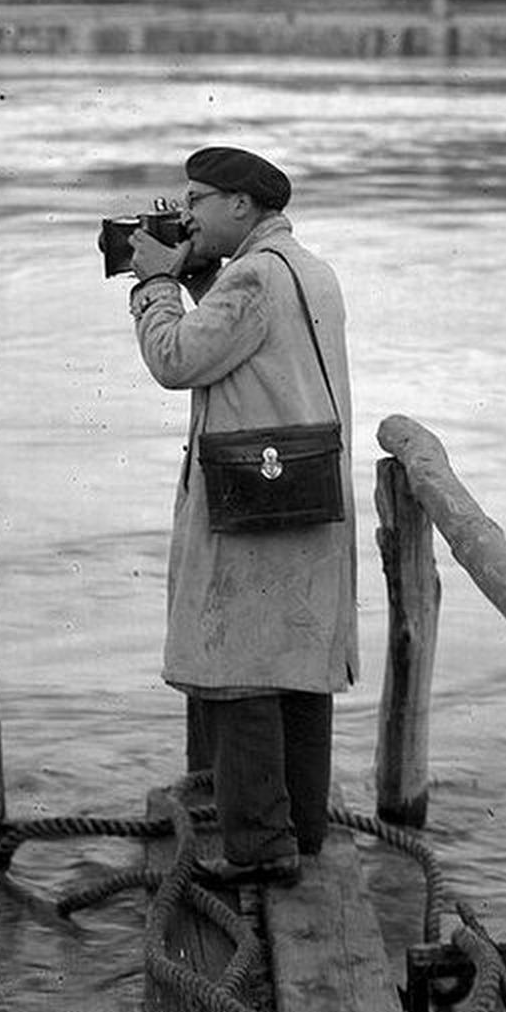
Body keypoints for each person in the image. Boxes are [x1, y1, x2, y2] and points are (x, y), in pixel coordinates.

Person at [126, 146, 358, 887]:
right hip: (304, 490)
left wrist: (156, 284)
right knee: (292, 663)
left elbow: (174, 361)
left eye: (197, 199)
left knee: (238, 666)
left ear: (241, 206)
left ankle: (259, 850)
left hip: (252, 500)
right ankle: (302, 830)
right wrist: (199, 279)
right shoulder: (304, 268)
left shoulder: (254, 278)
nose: (183, 213)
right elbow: (250, 348)